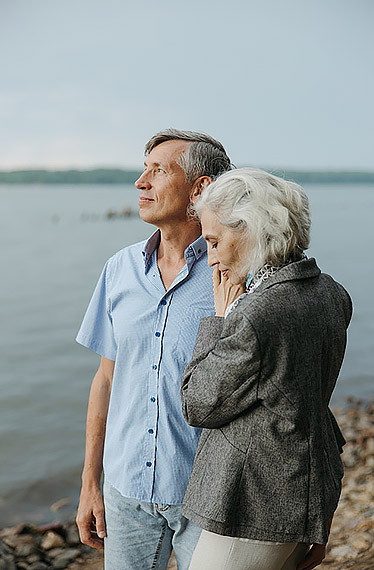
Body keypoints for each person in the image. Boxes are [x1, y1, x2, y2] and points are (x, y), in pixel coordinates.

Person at [180, 168, 352, 570]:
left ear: (254, 230)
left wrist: (220, 320)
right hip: (305, 491)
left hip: (252, 505)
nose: (212, 257)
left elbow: (197, 404)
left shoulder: (256, 313)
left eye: (216, 241)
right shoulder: (332, 292)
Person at [75, 129, 232, 569]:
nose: (141, 183)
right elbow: (106, 380)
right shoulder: (119, 269)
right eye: (143, 170)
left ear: (200, 188)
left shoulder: (236, 272)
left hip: (209, 499)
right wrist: (91, 484)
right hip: (125, 493)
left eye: (158, 171)